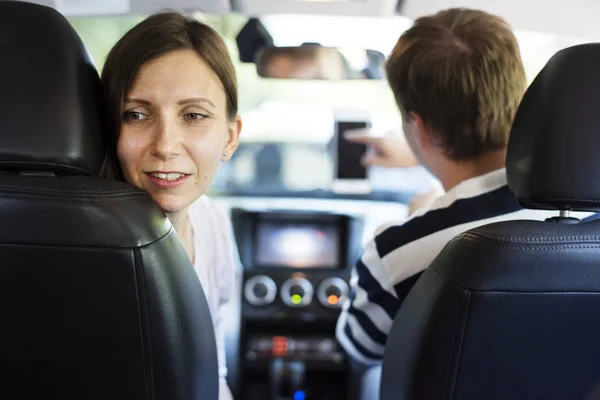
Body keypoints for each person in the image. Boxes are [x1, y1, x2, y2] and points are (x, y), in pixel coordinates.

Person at [335, 7, 553, 366]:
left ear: (419, 129)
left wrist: (421, 210)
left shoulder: (397, 251)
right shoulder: (585, 215)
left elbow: (358, 349)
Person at [101, 12, 241, 399]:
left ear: (230, 137)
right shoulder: (76, 244)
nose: (164, 144)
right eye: (136, 115)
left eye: (193, 115)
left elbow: (211, 373)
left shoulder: (213, 223)